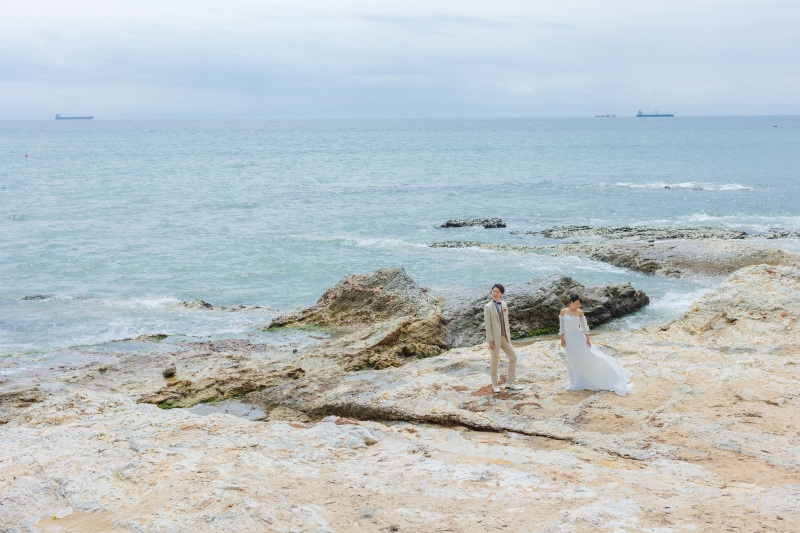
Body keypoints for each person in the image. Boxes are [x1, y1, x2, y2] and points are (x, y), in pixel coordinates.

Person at [559, 294, 635, 396]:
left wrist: (587, 339)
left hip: (578, 337)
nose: (578, 306)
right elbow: (562, 326)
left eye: (579, 304)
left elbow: (584, 327)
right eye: (576, 304)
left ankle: (602, 375)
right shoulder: (563, 311)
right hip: (568, 338)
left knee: (589, 357)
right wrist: (562, 339)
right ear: (571, 302)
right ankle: (575, 381)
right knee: (572, 360)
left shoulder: (580, 312)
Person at [484, 284, 524, 394]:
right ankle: (495, 384)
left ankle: (510, 383)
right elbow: (488, 325)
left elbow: (506, 322)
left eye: (497, 292)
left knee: (513, 357)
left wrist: (509, 338)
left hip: (505, 337)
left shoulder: (504, 304)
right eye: (493, 291)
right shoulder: (488, 307)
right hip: (495, 339)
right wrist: (490, 340)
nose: (495, 293)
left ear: (501, 294)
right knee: (494, 361)